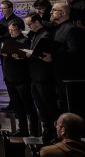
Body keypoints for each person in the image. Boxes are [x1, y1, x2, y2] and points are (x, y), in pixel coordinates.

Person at [45, 1, 85, 126]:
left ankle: (79, 136)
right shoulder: (59, 29)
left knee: (74, 108)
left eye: (54, 10)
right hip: (62, 75)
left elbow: (76, 52)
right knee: (65, 106)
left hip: (72, 77)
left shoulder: (72, 29)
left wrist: (54, 56)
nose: (51, 12)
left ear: (63, 13)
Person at [25, 13, 59, 143]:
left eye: (30, 24)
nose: (29, 27)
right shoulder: (35, 35)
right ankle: (47, 132)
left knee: (49, 105)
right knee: (41, 106)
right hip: (34, 75)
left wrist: (34, 54)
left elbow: (45, 53)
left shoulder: (45, 34)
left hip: (44, 76)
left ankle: (54, 133)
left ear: (37, 22)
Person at [0, 20, 38, 136]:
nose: (11, 32)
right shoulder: (8, 40)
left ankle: (34, 130)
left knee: (28, 106)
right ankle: (23, 129)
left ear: (20, 30)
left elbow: (28, 57)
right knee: (17, 106)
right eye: (9, 30)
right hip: (10, 78)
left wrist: (19, 56)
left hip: (22, 78)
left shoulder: (26, 41)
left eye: (13, 30)